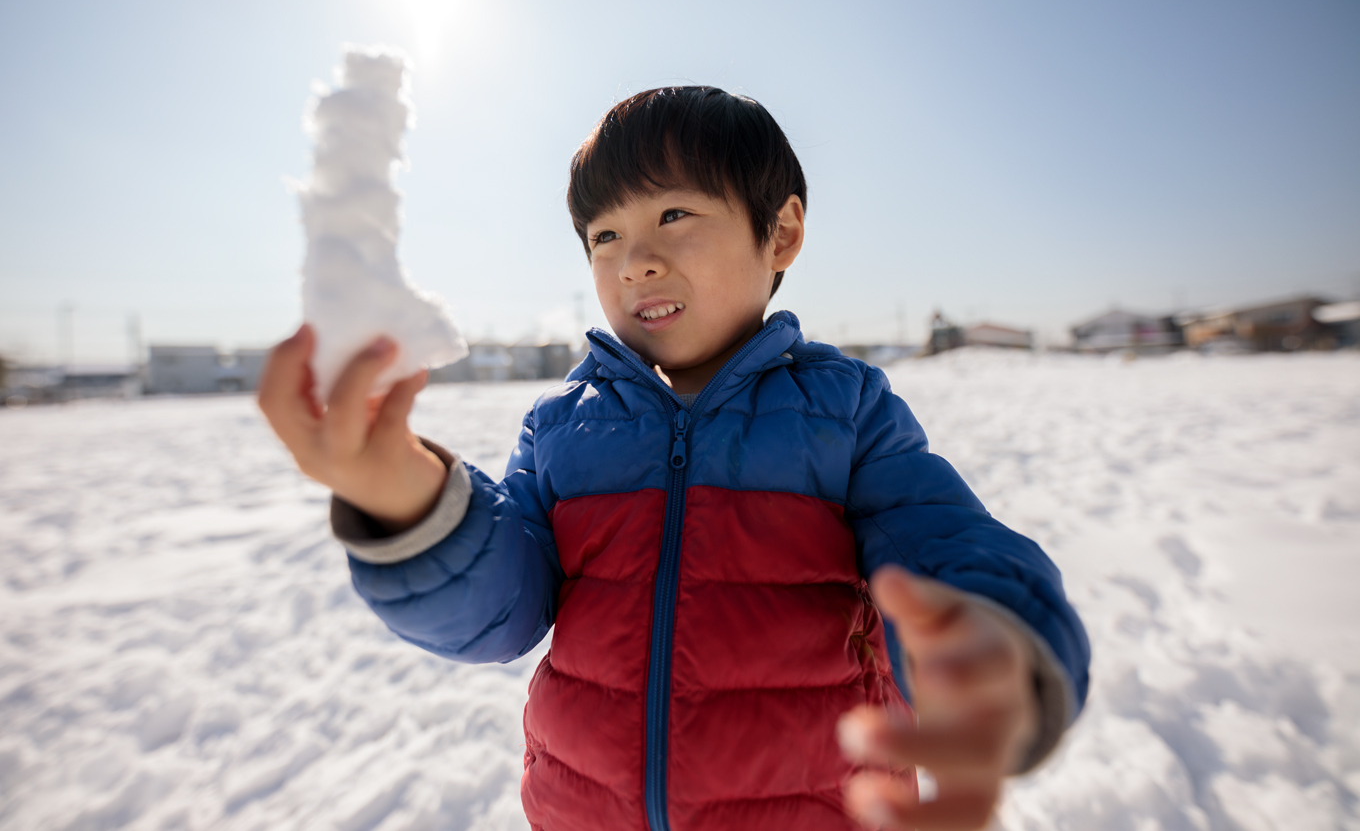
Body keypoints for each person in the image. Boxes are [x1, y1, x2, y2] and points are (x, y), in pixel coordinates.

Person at [258, 86, 1090, 831]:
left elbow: (941, 538)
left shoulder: (844, 412)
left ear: (782, 233)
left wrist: (987, 648)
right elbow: (502, 605)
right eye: (605, 234)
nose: (634, 259)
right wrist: (406, 498)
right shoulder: (563, 429)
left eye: (674, 217)